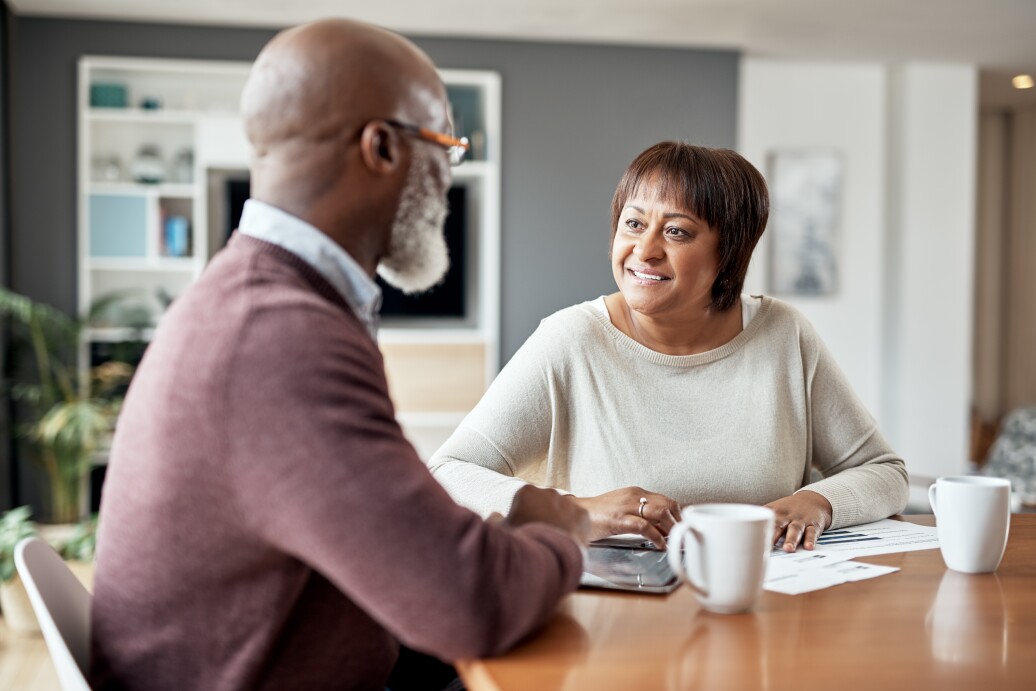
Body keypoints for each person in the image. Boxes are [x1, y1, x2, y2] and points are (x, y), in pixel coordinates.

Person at [90, 18, 589, 691]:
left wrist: (501, 535)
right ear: (382, 146)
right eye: (447, 145)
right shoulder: (277, 337)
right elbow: (472, 602)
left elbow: (396, 533)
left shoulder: (259, 299)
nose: (447, 178)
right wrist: (568, 532)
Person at [428, 141, 909, 553]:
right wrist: (578, 511)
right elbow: (449, 471)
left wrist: (817, 504)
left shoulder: (785, 334)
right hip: (613, 619)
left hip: (763, 609)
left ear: (729, 253)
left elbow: (884, 473)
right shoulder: (570, 339)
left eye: (676, 231)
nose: (645, 249)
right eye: (634, 224)